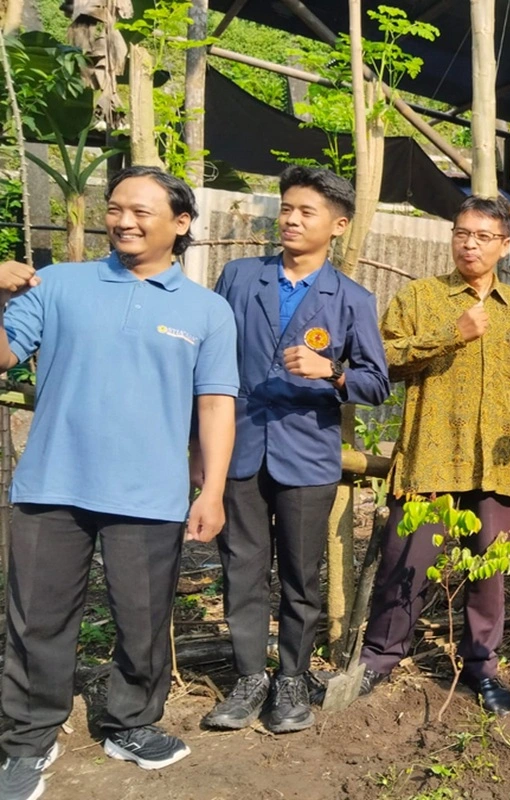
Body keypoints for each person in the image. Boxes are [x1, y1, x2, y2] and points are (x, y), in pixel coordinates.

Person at [0, 167, 238, 800]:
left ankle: (129, 721)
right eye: (115, 208)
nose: (124, 220)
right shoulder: (56, 284)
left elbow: (215, 403)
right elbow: (4, 353)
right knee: (36, 621)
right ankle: (27, 739)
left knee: (142, 617)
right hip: (52, 484)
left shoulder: (207, 311)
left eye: (141, 211)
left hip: (149, 493)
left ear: (181, 224)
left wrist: (211, 490)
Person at [201, 167, 389, 734]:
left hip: (307, 456)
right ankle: (248, 677)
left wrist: (332, 371)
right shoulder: (239, 277)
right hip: (238, 449)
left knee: (301, 577)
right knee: (241, 567)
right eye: (286, 208)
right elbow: (209, 359)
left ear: (338, 225)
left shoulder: (351, 298)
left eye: (306, 212)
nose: (290, 219)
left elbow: (377, 383)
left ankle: (291, 679)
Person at [355, 195, 510, 715]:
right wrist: (451, 333)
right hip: (432, 456)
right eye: (462, 233)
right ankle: (379, 658)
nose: (470, 244)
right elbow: (384, 360)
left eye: (484, 236)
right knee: (407, 563)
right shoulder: (421, 296)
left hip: (501, 464)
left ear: (505, 246)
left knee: (490, 573)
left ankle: (481, 667)